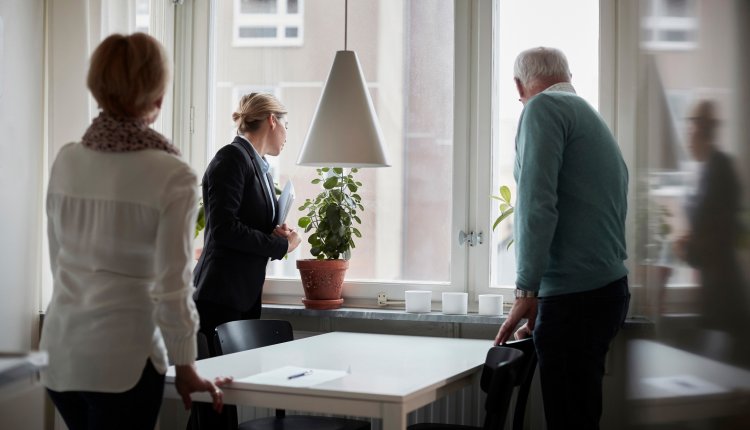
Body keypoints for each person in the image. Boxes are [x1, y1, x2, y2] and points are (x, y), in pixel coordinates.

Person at [39, 33, 230, 430]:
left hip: (61, 356)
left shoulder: (67, 159)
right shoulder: (172, 175)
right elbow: (173, 284)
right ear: (157, 97)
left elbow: (59, 262)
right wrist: (186, 364)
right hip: (123, 363)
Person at [494, 47, 630, 430]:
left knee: (569, 420)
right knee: (580, 416)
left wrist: (526, 292)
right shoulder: (588, 116)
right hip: (603, 292)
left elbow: (536, 204)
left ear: (519, 86)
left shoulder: (541, 109)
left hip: (575, 300)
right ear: (567, 76)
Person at [193, 92, 301, 351]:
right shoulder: (231, 159)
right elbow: (224, 229)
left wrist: (276, 235)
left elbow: (245, 224)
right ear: (273, 120)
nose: (287, 135)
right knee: (225, 382)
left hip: (242, 294)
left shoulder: (257, 164)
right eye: (287, 126)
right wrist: (281, 247)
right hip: (222, 295)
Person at [673, 100, 749, 346]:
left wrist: (688, 247)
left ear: (699, 129)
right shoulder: (708, 170)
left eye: (690, 127)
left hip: (723, 292)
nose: (687, 135)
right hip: (713, 288)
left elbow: (722, 233)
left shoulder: (720, 169)